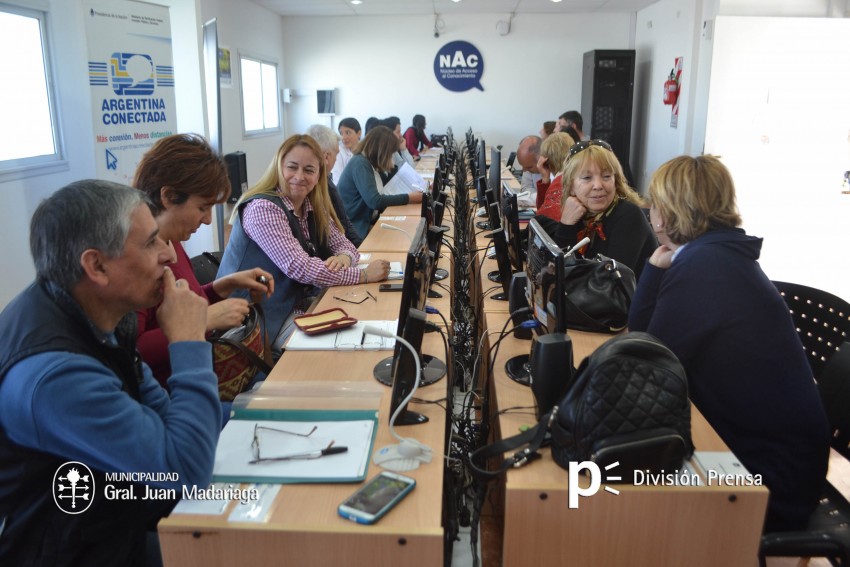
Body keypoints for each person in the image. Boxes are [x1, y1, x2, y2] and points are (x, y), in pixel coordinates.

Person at [0, 180, 220, 565]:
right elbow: (184, 474)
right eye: (151, 243)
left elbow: (165, 417)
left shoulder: (90, 313)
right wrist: (187, 341)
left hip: (109, 525)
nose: (168, 256)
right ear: (96, 266)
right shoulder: (56, 376)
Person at [628, 155, 830, 532]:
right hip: (778, 461)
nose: (649, 212)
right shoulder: (717, 255)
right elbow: (644, 344)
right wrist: (655, 269)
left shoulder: (706, 267)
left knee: (609, 485)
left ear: (670, 209)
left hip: (765, 480)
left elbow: (643, 363)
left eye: (653, 203)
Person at [218, 134, 390, 353]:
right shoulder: (263, 209)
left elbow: (344, 244)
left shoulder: (311, 204)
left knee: (362, 320)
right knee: (344, 349)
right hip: (259, 318)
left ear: (320, 174)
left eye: (309, 170)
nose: (299, 177)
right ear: (278, 167)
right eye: (292, 167)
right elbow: (301, 268)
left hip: (297, 303)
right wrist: (364, 275)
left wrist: (344, 257)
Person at [133, 133, 274, 387]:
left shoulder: (171, 240)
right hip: (172, 394)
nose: (209, 220)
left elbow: (182, 303)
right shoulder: (137, 259)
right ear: (168, 196)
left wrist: (223, 286)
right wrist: (204, 320)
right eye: (202, 208)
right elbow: (134, 349)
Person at [533, 140, 656, 280]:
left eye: (606, 176)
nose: (598, 185)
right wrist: (566, 224)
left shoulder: (629, 217)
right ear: (571, 186)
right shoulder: (583, 214)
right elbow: (555, 272)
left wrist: (566, 227)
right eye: (587, 178)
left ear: (615, 181)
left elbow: (605, 286)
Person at [337, 125, 423, 240]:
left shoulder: (370, 162)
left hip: (368, 220)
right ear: (381, 151)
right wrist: (409, 198)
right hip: (356, 227)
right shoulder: (360, 164)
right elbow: (375, 201)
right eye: (390, 153)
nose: (391, 157)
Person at [305, 124, 363, 247]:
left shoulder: (326, 180)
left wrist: (361, 247)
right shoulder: (314, 186)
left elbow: (343, 221)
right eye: (336, 154)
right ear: (326, 156)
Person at [534, 131, 575, 216]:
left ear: (546, 162)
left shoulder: (559, 182)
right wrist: (545, 180)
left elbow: (542, 216)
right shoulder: (575, 176)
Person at [330, 116, 361, 184]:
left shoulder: (366, 149)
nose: (343, 137)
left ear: (359, 133)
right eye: (341, 133)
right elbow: (337, 179)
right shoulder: (338, 150)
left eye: (348, 133)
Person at [515, 135, 542, 207]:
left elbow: (549, 198)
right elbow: (525, 188)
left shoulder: (555, 171)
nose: (524, 170)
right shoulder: (528, 164)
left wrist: (518, 199)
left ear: (541, 159)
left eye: (529, 167)